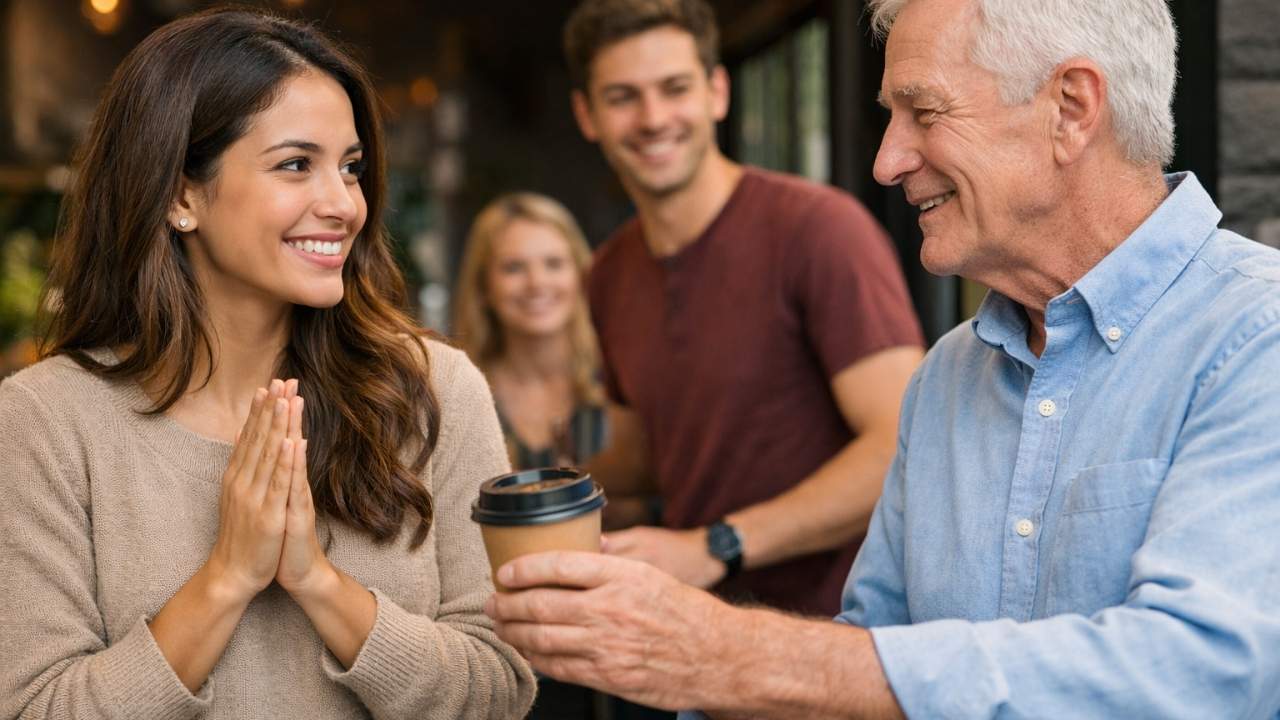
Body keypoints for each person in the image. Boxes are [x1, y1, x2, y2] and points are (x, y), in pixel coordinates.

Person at [486, 0, 1280, 717]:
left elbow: (1201, 672)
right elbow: (867, 638)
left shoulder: (1255, 334)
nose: (888, 160)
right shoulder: (947, 376)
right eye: (890, 117)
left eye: (924, 111)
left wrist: (727, 633)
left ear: (1071, 109)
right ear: (586, 115)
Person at [0, 9, 534, 719]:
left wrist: (317, 582)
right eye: (294, 165)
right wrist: (226, 578)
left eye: (350, 168)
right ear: (180, 194)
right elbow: (36, 708)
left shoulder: (434, 392)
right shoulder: (44, 421)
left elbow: (500, 687)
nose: (343, 204)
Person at [564, 0, 925, 617]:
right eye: (623, 96)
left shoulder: (819, 230)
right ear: (587, 115)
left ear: (718, 92)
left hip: (837, 637)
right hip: (686, 635)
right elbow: (657, 454)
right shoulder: (608, 274)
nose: (653, 119)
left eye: (674, 89)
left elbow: (904, 444)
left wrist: (716, 545)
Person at [453, 192, 609, 471]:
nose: (536, 283)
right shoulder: (459, 395)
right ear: (483, 287)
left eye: (554, 264)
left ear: (581, 275)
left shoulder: (617, 380)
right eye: (513, 268)